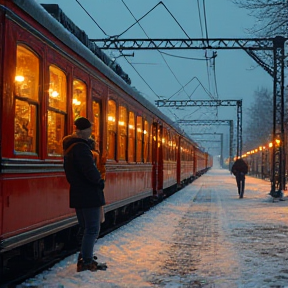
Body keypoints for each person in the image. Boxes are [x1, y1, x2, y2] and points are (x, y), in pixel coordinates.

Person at [62, 117, 106, 272]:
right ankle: (86, 261)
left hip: (78, 193)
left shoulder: (70, 148)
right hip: (89, 194)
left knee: (86, 227)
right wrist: (99, 182)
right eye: (90, 129)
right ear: (84, 130)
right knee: (93, 228)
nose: (91, 132)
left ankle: (84, 256)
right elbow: (89, 170)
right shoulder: (81, 148)